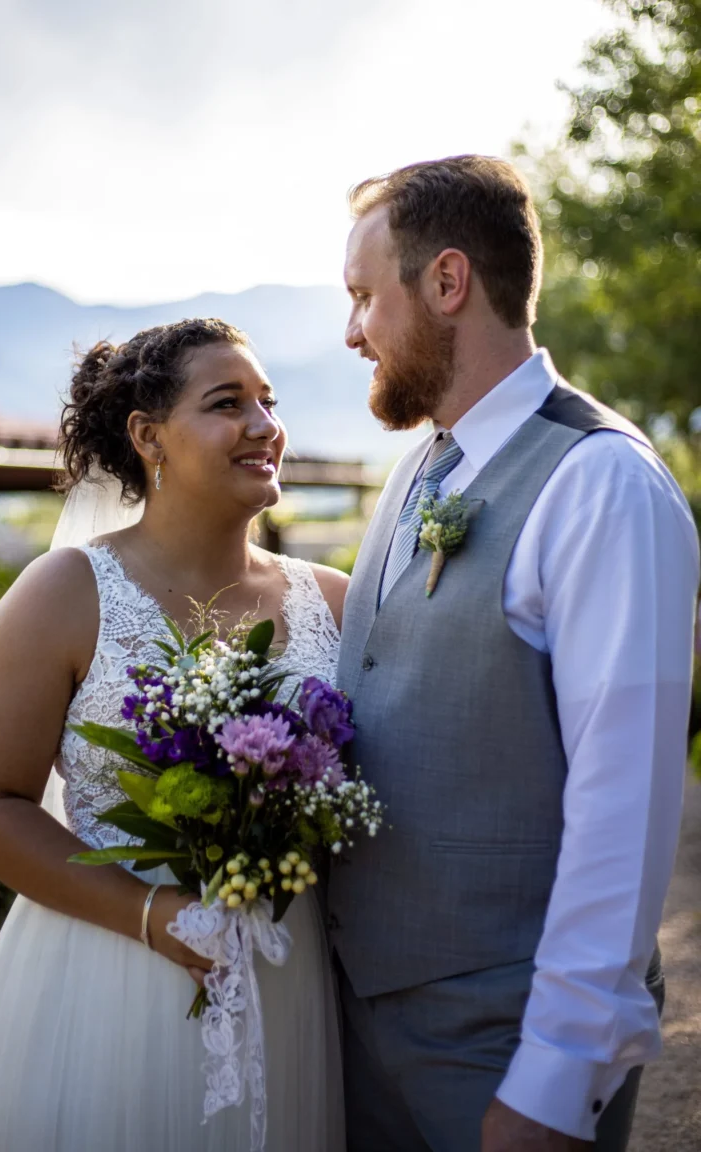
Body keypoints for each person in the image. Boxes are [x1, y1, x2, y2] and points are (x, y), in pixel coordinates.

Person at [329, 155, 700, 1152]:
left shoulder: (601, 485)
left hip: (504, 1042)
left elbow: (622, 806)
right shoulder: (420, 466)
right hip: (363, 1021)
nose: (352, 331)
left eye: (365, 297)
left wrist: (555, 1084)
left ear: (447, 283)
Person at [0, 318, 347, 1152]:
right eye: (227, 404)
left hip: (288, 971)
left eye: (269, 403)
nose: (264, 427)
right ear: (147, 436)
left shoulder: (337, 602)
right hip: (109, 973)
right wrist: (153, 915)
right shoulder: (63, 593)